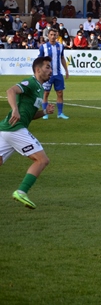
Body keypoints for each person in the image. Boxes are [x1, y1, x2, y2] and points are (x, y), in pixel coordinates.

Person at [1, 56, 56, 209]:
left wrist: (44, 111)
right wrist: (15, 109)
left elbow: (31, 114)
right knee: (42, 160)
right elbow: (11, 90)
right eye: (47, 67)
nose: (50, 70)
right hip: (15, 128)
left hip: (6, 129)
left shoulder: (39, 88)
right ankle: (22, 191)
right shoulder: (31, 83)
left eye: (50, 67)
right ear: (37, 70)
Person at [38, 29, 70, 120]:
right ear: (48, 35)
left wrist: (66, 70)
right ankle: (45, 113)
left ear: (57, 36)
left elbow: (62, 58)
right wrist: (40, 72)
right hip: (47, 75)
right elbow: (39, 60)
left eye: (54, 35)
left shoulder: (60, 46)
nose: (53, 36)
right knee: (46, 93)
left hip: (58, 74)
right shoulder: (43, 47)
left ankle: (60, 113)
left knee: (60, 93)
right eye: (51, 34)